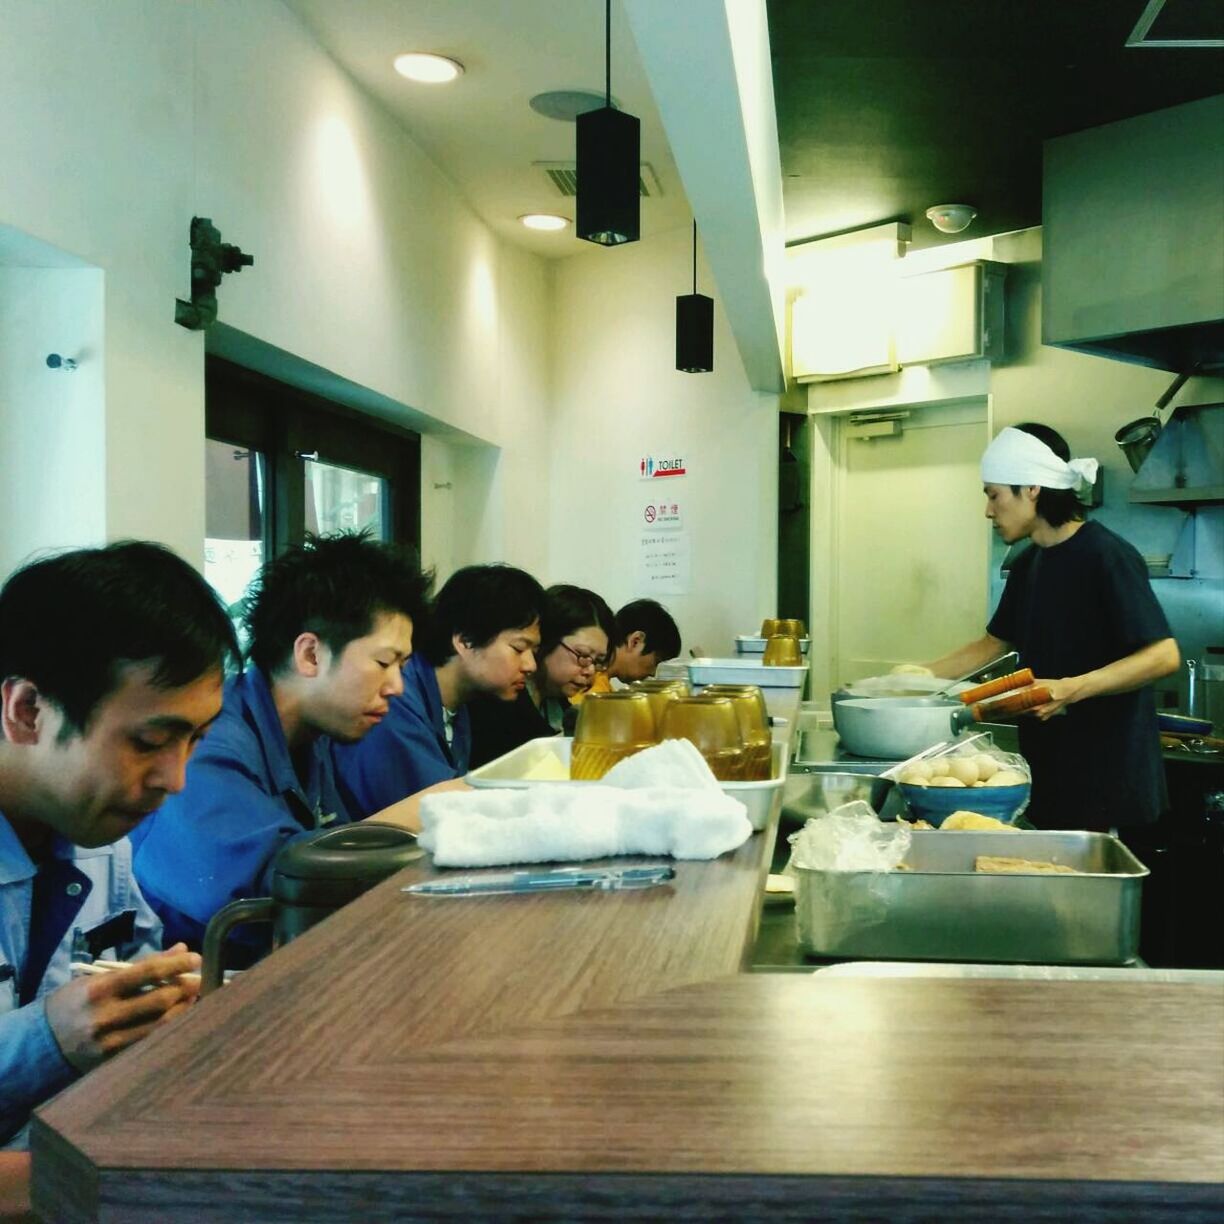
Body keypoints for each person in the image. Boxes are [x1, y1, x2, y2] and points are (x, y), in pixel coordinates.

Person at [0, 541, 238, 1151]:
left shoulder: (98, 838)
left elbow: (139, 982)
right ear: (27, 710)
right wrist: (48, 1040)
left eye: (195, 740)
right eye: (150, 740)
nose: (175, 780)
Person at [131, 533, 431, 950]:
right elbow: (286, 890)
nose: (396, 686)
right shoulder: (207, 744)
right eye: (384, 662)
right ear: (310, 654)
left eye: (402, 666)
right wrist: (431, 808)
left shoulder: (312, 740)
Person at [924, 422, 1179, 831]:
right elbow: (991, 644)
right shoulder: (1029, 563)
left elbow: (1163, 656)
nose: (988, 510)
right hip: (1050, 773)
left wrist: (1071, 688)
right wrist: (909, 681)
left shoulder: (1105, 555)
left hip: (1106, 780)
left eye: (994, 495)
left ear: (1032, 489)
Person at [334, 564, 544, 817]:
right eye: (519, 648)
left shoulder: (458, 705)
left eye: (534, 652)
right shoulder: (394, 704)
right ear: (465, 640)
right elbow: (444, 813)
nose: (530, 665)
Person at [467, 584, 616, 768]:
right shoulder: (499, 700)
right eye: (583, 655)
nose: (590, 671)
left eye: (597, 661)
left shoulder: (557, 702)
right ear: (546, 639)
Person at [605, 599, 681, 684]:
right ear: (635, 642)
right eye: (656, 662)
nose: (653, 674)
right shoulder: (592, 686)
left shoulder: (599, 680)